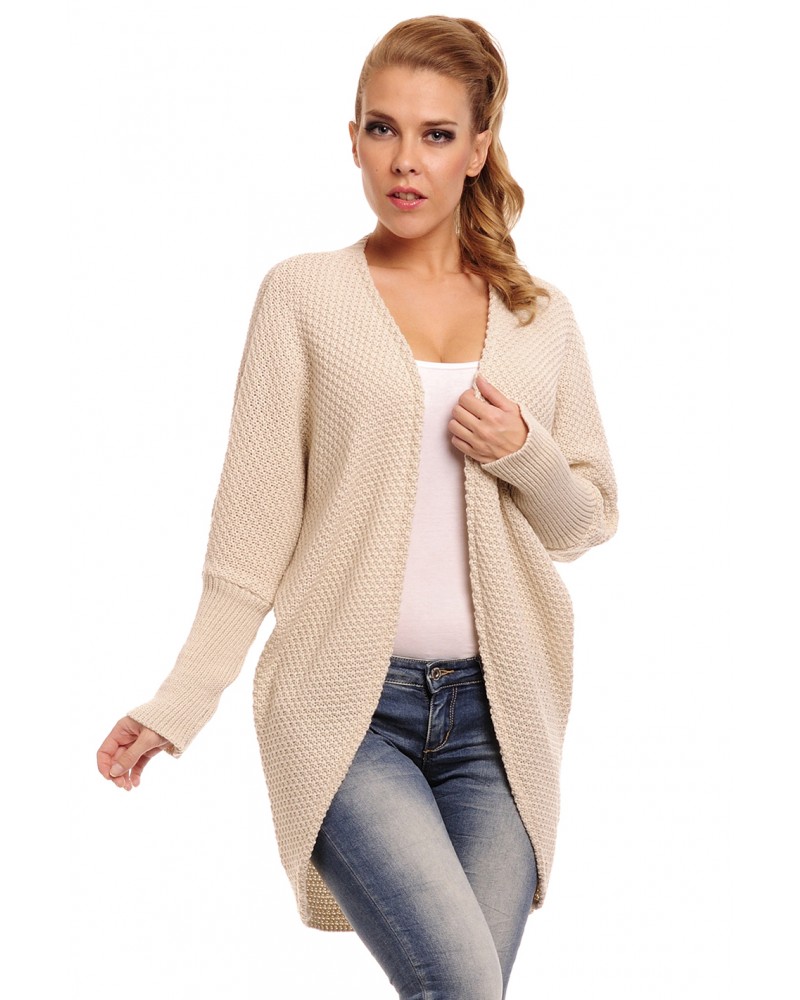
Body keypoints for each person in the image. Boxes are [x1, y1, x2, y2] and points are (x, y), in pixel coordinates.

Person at [97, 15, 618, 1000]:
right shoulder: (303, 297)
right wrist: (180, 702)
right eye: (382, 129)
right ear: (352, 139)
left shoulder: (538, 316)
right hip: (345, 712)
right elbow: (249, 541)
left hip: (499, 722)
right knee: (462, 986)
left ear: (477, 148)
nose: (404, 160)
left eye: (435, 134)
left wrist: (524, 452)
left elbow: (585, 520)